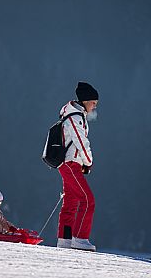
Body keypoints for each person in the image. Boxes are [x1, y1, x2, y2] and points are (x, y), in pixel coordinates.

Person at [56, 82, 99, 251]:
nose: (95, 106)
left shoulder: (75, 115)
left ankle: (65, 240)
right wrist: (88, 162)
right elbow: (81, 142)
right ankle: (80, 239)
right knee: (88, 200)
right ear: (85, 100)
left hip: (71, 163)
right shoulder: (75, 117)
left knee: (71, 201)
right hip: (70, 164)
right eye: (93, 102)